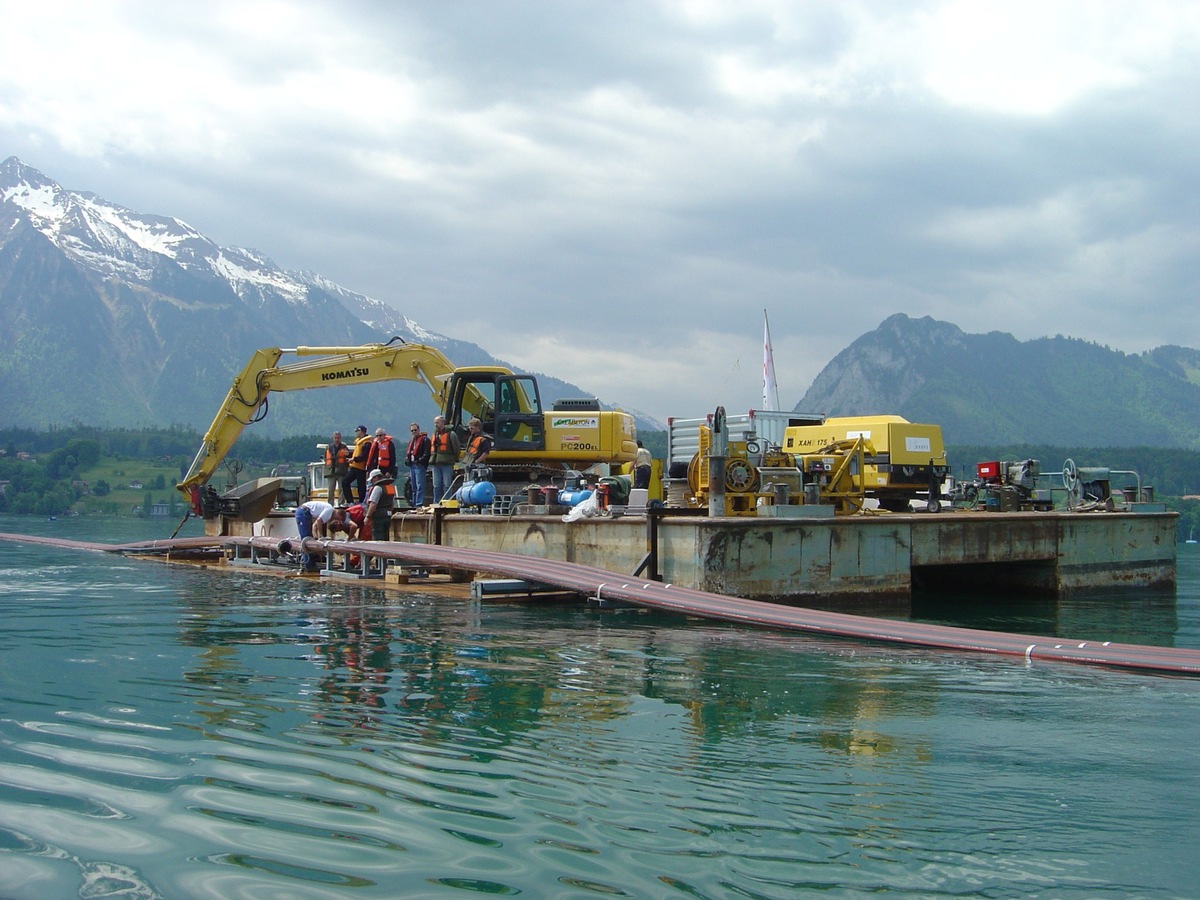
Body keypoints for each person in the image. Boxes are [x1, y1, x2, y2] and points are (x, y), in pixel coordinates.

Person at [294, 499, 335, 572]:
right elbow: (319, 521)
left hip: (303, 511)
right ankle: (309, 564)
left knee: (307, 538)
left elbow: (315, 525)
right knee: (306, 539)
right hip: (304, 512)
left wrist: (315, 535)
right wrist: (321, 536)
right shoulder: (330, 510)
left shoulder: (326, 509)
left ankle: (307, 562)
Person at [429, 415, 461, 502]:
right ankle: (437, 502)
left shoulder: (451, 434)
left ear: (443, 423)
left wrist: (454, 459)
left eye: (437, 422)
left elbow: (456, 448)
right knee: (436, 485)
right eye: (435, 423)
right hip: (436, 463)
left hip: (447, 463)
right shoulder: (434, 434)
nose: (436, 425)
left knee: (447, 485)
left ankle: (447, 502)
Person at [363, 468, 396, 543]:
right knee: (385, 538)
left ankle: (379, 554)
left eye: (372, 479)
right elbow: (392, 504)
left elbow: (373, 504)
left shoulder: (378, 488)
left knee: (378, 539)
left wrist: (367, 517)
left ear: (376, 477)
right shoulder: (390, 487)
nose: (371, 481)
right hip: (388, 516)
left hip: (378, 516)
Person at [405, 421, 431, 507]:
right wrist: (407, 460)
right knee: (413, 486)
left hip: (420, 466)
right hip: (412, 465)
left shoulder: (425, 440)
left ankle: (419, 503)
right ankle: (414, 503)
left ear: (419, 429)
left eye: (415, 430)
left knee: (420, 485)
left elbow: (427, 453)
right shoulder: (411, 441)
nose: (414, 432)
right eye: (412, 430)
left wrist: (420, 460)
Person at [344, 425, 372, 503]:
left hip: (361, 468)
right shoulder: (359, 441)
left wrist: (353, 459)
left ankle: (361, 502)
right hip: (355, 466)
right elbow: (357, 454)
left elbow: (363, 456)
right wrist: (349, 454)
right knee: (345, 481)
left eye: (357, 431)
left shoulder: (367, 443)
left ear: (361, 431)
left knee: (361, 486)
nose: (356, 433)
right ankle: (350, 501)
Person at [324, 431, 351, 504]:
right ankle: (330, 505)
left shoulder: (344, 447)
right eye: (335, 438)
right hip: (331, 472)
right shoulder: (328, 447)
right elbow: (325, 459)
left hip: (341, 471)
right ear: (333, 438)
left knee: (342, 489)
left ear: (340, 438)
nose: (337, 439)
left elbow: (349, 456)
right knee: (330, 490)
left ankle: (341, 504)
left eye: (338, 438)